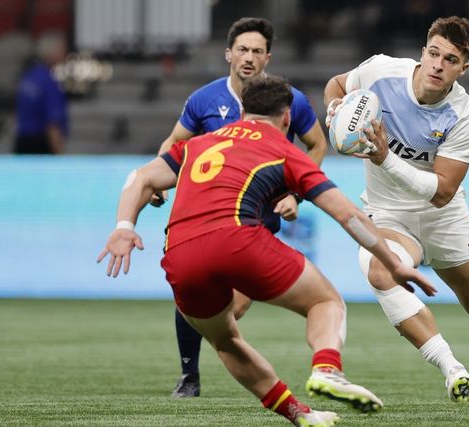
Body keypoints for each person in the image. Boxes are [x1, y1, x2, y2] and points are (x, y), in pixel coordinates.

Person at [98, 75, 436, 425]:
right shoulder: (285, 151)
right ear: (287, 118)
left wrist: (124, 227)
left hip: (179, 254)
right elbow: (346, 213)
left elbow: (139, 178)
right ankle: (327, 370)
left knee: (226, 341)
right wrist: (391, 262)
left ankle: (299, 415)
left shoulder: (198, 144)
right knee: (325, 302)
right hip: (236, 240)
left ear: (242, 110)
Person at [323, 16, 469, 412]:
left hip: (443, 219)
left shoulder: (464, 114)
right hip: (389, 216)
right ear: (422, 50)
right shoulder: (380, 72)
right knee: (380, 270)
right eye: (433, 53)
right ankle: (453, 369)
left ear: (463, 68)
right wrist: (335, 111)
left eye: (450, 59)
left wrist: (384, 157)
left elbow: (443, 192)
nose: (437, 65)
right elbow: (338, 84)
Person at [154, 17, 328, 397]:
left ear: (269, 57)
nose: (249, 58)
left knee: (233, 307)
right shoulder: (204, 99)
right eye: (243, 50)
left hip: (257, 218)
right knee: (197, 293)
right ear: (228, 54)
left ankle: (235, 366)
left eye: (257, 51)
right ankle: (189, 376)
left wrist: (293, 193)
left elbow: (317, 144)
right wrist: (158, 184)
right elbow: (174, 143)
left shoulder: (289, 100)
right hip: (205, 215)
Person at [14, 31, 68, 154]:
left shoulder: (29, 76)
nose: (65, 53)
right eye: (62, 49)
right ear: (52, 52)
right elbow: (52, 124)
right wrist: (58, 153)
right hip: (40, 145)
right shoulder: (49, 82)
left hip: (22, 140)